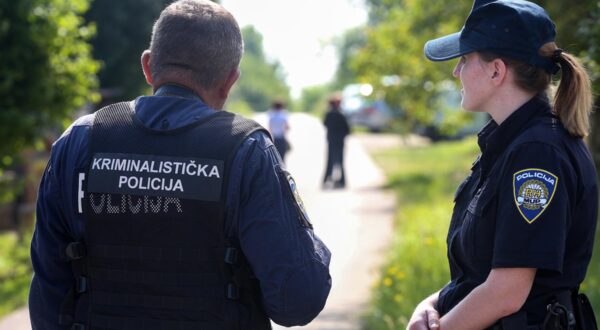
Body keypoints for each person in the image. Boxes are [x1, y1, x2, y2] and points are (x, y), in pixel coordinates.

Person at [29, 1, 332, 329]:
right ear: (229, 81)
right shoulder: (247, 151)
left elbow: (49, 292)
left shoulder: (79, 141)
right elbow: (298, 300)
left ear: (148, 66)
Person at [409, 0, 598, 329]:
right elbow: (482, 271)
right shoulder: (512, 142)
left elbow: (507, 292)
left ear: (496, 70)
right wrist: (432, 303)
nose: (456, 72)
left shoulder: (538, 154)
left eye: (465, 59)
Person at [323, 93, 350, 189]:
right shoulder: (342, 114)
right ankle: (342, 181)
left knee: (330, 160)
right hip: (340, 140)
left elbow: (325, 124)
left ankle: (327, 180)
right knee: (340, 161)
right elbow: (347, 129)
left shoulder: (329, 114)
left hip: (331, 139)